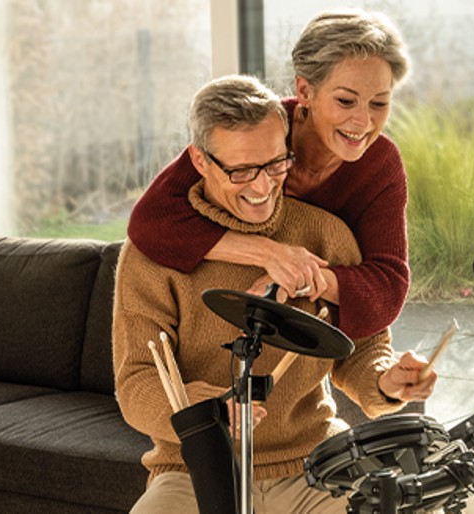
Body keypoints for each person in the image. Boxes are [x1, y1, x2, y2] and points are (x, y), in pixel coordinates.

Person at [113, 75, 436, 513]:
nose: (263, 187)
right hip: (194, 471)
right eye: (241, 170)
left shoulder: (325, 234)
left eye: (276, 164)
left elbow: (362, 348)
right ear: (200, 161)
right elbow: (136, 383)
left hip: (315, 465)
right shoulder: (153, 255)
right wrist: (198, 411)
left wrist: (386, 379)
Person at [126, 8, 412, 340]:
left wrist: (305, 275)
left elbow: (388, 286)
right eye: (346, 101)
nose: (364, 123)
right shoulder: (258, 127)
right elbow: (151, 219)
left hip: (305, 334)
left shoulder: (381, 165)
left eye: (379, 104)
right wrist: (270, 253)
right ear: (305, 91)